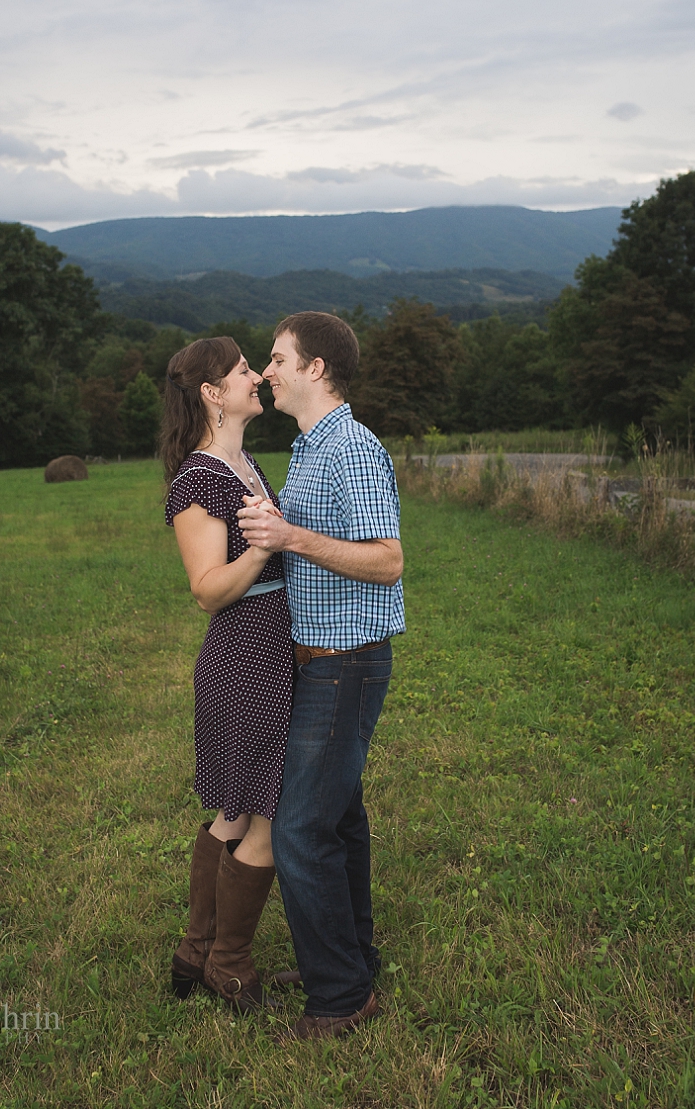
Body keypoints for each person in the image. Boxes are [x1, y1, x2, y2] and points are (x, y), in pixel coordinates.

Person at [238, 312, 404, 1042]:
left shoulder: (352, 449)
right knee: (337, 821)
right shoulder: (310, 447)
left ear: (315, 368)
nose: (267, 371)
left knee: (301, 830)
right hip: (318, 659)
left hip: (347, 664)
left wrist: (290, 536)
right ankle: (348, 959)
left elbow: (388, 559)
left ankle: (341, 999)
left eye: (276, 359)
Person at [161, 336, 293, 1014]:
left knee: (235, 809)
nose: (256, 376)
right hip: (242, 657)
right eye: (244, 370)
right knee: (268, 810)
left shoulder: (244, 462)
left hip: (268, 651)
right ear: (212, 393)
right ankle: (229, 966)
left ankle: (194, 953)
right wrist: (268, 546)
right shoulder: (200, 478)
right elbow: (208, 588)